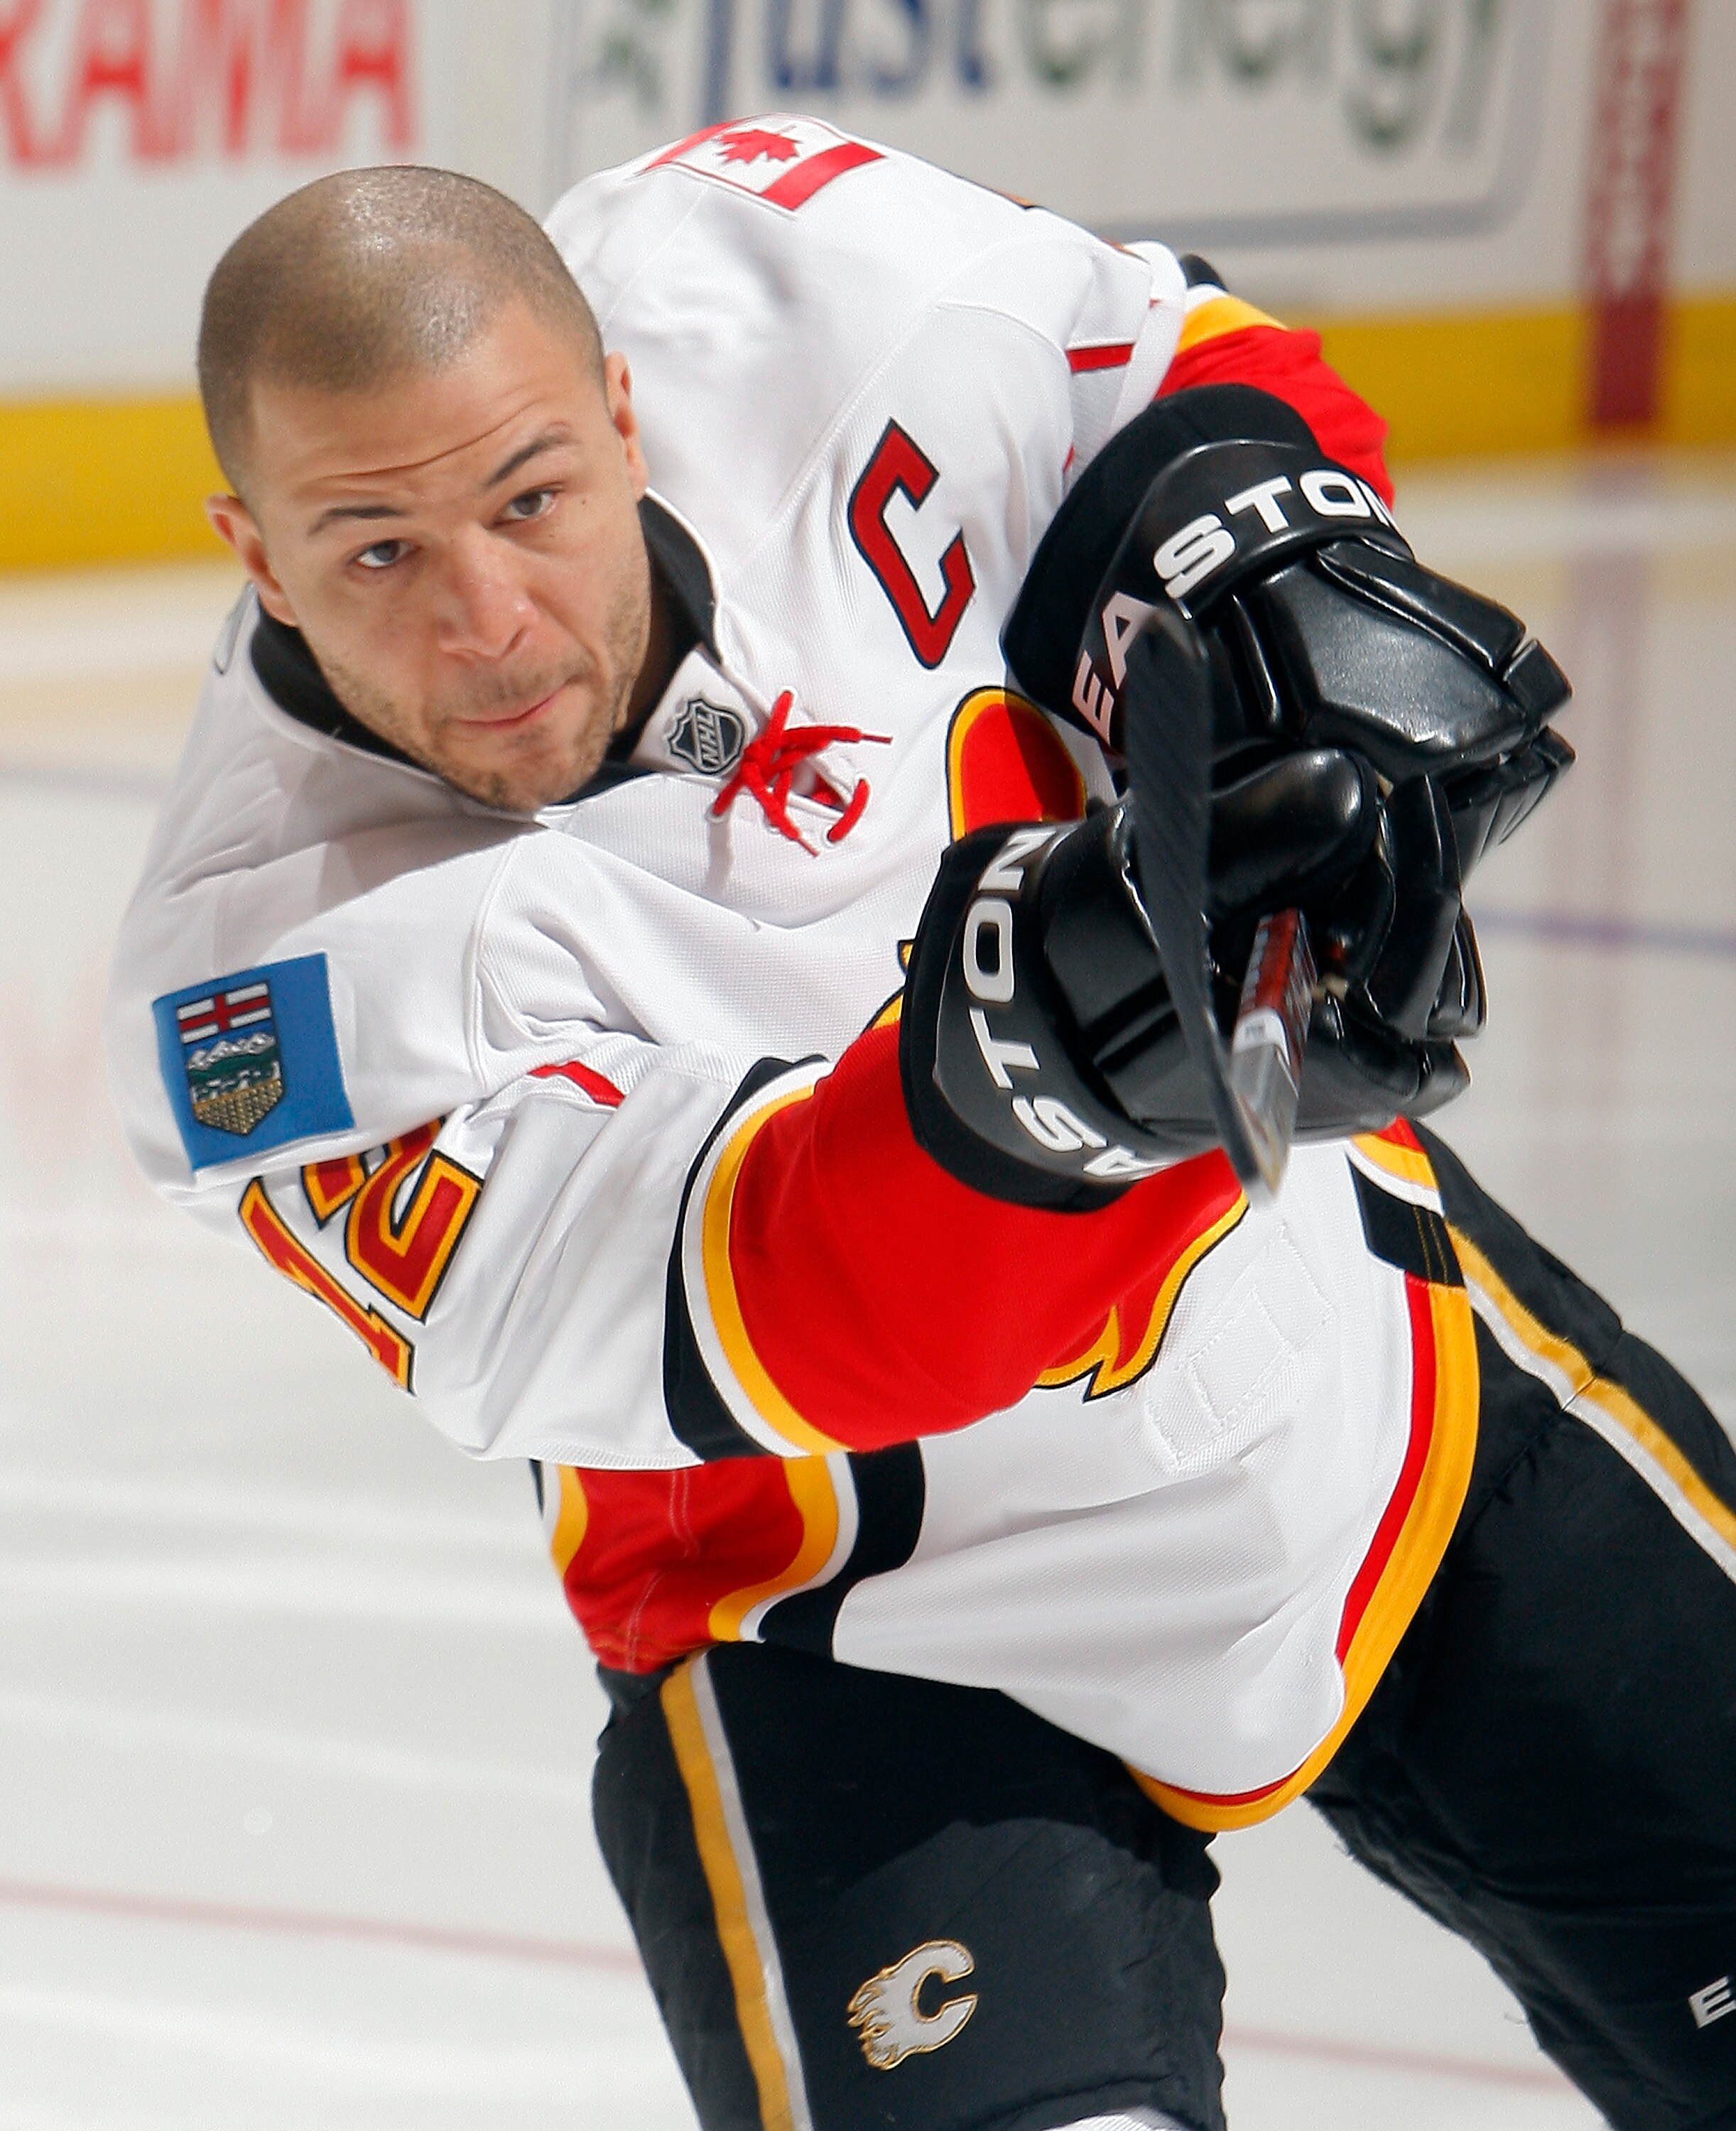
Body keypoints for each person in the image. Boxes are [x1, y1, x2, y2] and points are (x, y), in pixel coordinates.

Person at [104, 120, 1735, 2131]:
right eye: (378, 553)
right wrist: (1078, 1055)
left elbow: (1175, 378)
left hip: (1360, 1368)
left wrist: (1288, 601)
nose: (490, 619)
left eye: (533, 499)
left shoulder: (770, 262)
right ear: (253, 553)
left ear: (623, 408)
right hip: (874, 1645)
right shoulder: (259, 996)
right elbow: (784, 1308)